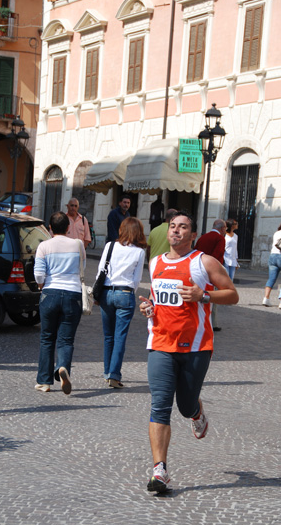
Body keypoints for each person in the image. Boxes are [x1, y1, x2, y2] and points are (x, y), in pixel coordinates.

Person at [139, 211, 239, 493]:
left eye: (183, 227)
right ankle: (160, 471)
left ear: (192, 235)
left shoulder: (203, 262)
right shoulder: (155, 262)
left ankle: (197, 412)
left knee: (185, 406)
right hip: (160, 343)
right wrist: (148, 307)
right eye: (173, 226)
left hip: (196, 346)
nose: (176, 231)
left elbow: (232, 294)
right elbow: (157, 297)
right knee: (160, 405)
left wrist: (203, 295)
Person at [34, 211, 85, 395]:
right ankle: (62, 367)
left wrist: (43, 284)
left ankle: (44, 382)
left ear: (49, 228)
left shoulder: (44, 246)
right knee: (66, 339)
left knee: (47, 338)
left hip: (50, 293)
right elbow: (82, 268)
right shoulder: (78, 245)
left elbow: (39, 275)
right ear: (68, 227)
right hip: (73, 294)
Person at [97, 217, 146, 388]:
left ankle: (107, 372)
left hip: (106, 292)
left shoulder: (110, 246)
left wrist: (98, 294)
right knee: (120, 336)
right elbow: (137, 279)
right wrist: (130, 292)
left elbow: (100, 271)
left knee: (108, 336)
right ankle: (114, 375)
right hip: (125, 293)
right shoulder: (139, 252)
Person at [195, 219, 227, 331]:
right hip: (211, 272)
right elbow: (217, 255)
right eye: (225, 229)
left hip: (199, 269)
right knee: (213, 297)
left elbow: (195, 252)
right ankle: (212, 323)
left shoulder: (202, 237)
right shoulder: (220, 239)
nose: (225, 231)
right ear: (222, 228)